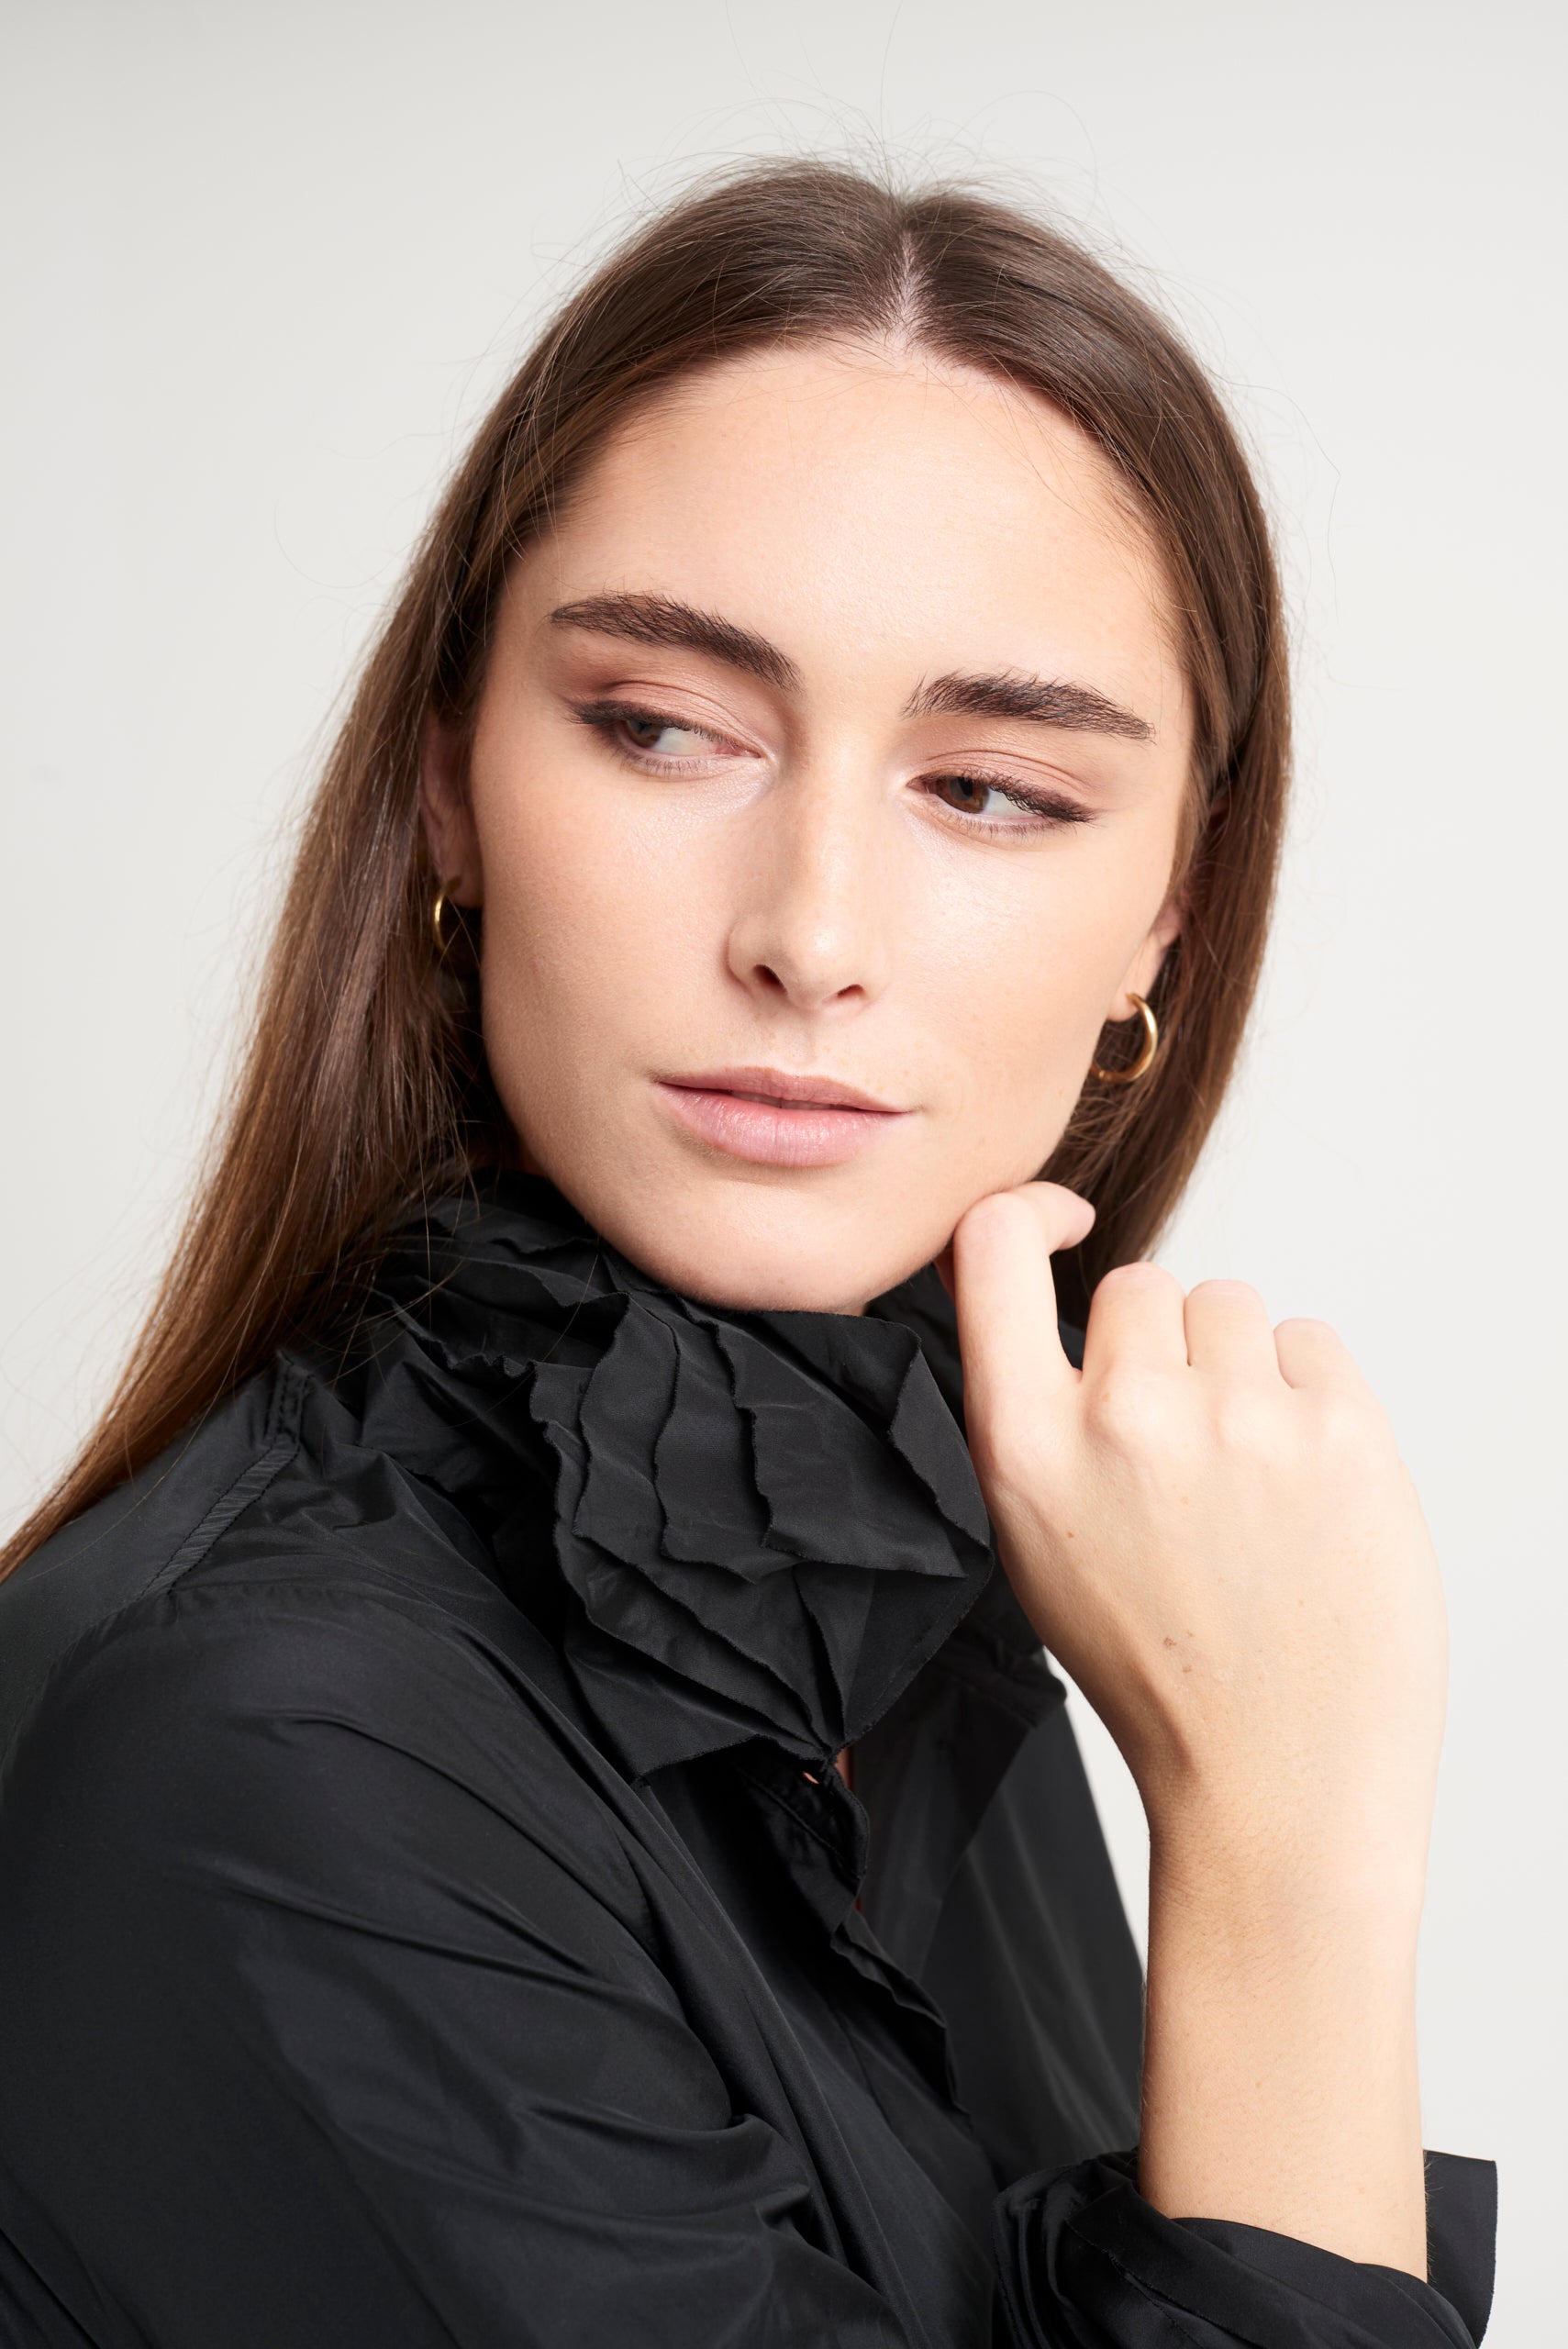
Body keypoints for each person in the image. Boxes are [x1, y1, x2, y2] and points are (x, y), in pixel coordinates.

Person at [0, 161, 1494, 2347]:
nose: (810, 931)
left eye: (991, 788)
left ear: (1165, 917)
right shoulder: (279, 1747)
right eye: (665, 728)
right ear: (451, 786)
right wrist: (1290, 1849)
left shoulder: (907, 1531)